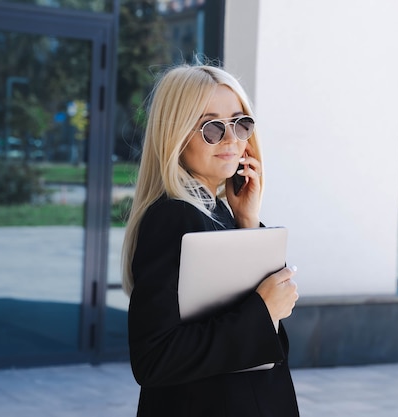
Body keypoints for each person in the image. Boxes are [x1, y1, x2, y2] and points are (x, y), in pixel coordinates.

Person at [122, 63, 300, 417]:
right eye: (212, 127)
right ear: (176, 135)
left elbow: (266, 345)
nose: (233, 138)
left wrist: (247, 221)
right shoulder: (175, 217)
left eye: (241, 123)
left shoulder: (216, 212)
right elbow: (154, 358)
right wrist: (263, 311)